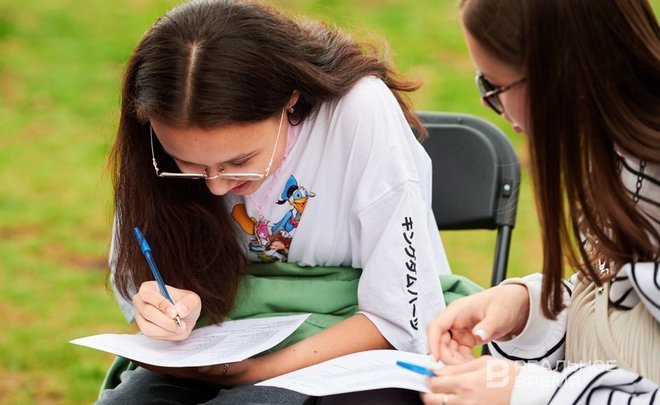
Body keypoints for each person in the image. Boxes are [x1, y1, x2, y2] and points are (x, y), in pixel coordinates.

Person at [98, 0, 451, 404]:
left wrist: (256, 371)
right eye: (189, 164)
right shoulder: (152, 147)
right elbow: (140, 273)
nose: (217, 187)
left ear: (290, 101)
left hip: (347, 346)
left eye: (239, 162)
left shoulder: (358, 111)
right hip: (217, 342)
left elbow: (400, 317)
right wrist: (172, 304)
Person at [423, 0, 660, 404]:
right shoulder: (618, 157)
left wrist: (523, 393)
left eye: (493, 86)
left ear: (563, 76)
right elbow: (621, 305)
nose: (486, 103)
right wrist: (529, 310)